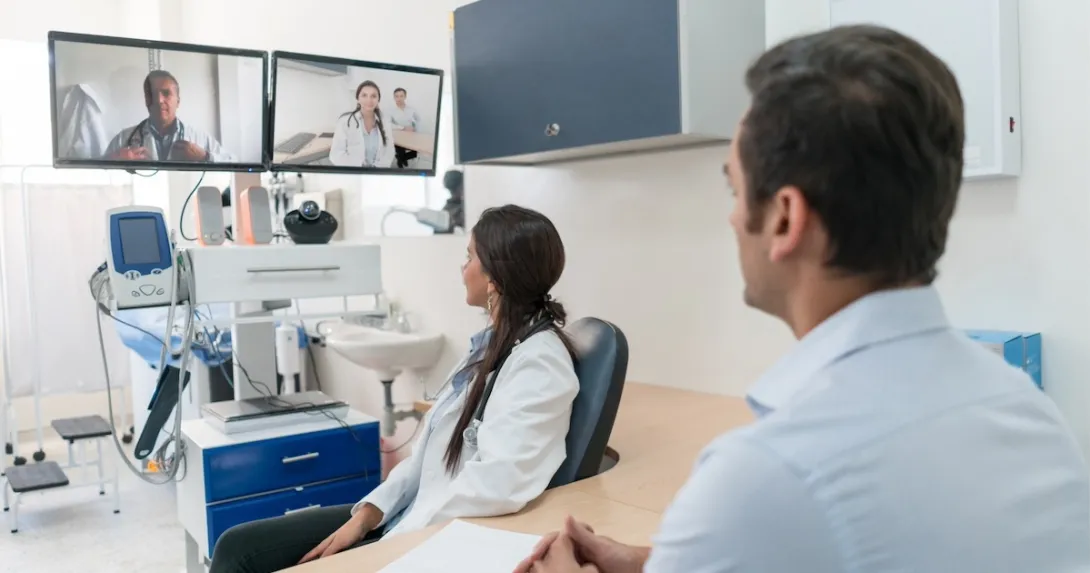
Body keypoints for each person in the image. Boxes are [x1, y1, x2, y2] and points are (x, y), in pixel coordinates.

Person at [517, 24, 1090, 573]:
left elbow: (790, 519)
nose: (733, 218)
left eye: (735, 189)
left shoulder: (769, 474)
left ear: (786, 218)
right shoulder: (1027, 412)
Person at [208, 204, 581, 573]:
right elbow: (425, 459)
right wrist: (367, 516)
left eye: (469, 257)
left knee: (243, 559)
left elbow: (497, 485)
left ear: (494, 279)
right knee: (237, 545)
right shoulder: (491, 345)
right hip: (410, 515)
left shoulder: (539, 364)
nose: (462, 268)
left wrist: (395, 545)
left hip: (435, 534)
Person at [103, 70, 232, 163]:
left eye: (166, 93)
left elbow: (233, 163)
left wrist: (205, 156)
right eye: (152, 94)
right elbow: (97, 170)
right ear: (146, 100)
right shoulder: (123, 139)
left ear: (178, 101)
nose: (159, 100)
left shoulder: (200, 138)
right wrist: (116, 158)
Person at [329, 80, 398, 168]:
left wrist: (377, 168)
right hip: (354, 172)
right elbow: (336, 155)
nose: (369, 100)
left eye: (373, 96)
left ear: (378, 100)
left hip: (378, 172)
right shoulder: (345, 121)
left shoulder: (384, 121)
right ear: (358, 99)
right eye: (364, 95)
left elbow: (389, 151)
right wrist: (360, 167)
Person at [388, 87, 422, 168]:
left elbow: (419, 120)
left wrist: (415, 129)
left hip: (410, 135)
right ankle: (401, 160)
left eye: (401, 96)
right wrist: (403, 127)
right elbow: (388, 124)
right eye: (396, 96)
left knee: (415, 153)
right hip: (397, 136)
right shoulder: (390, 110)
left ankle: (401, 159)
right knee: (400, 151)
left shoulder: (411, 109)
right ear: (394, 97)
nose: (399, 98)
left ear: (405, 97)